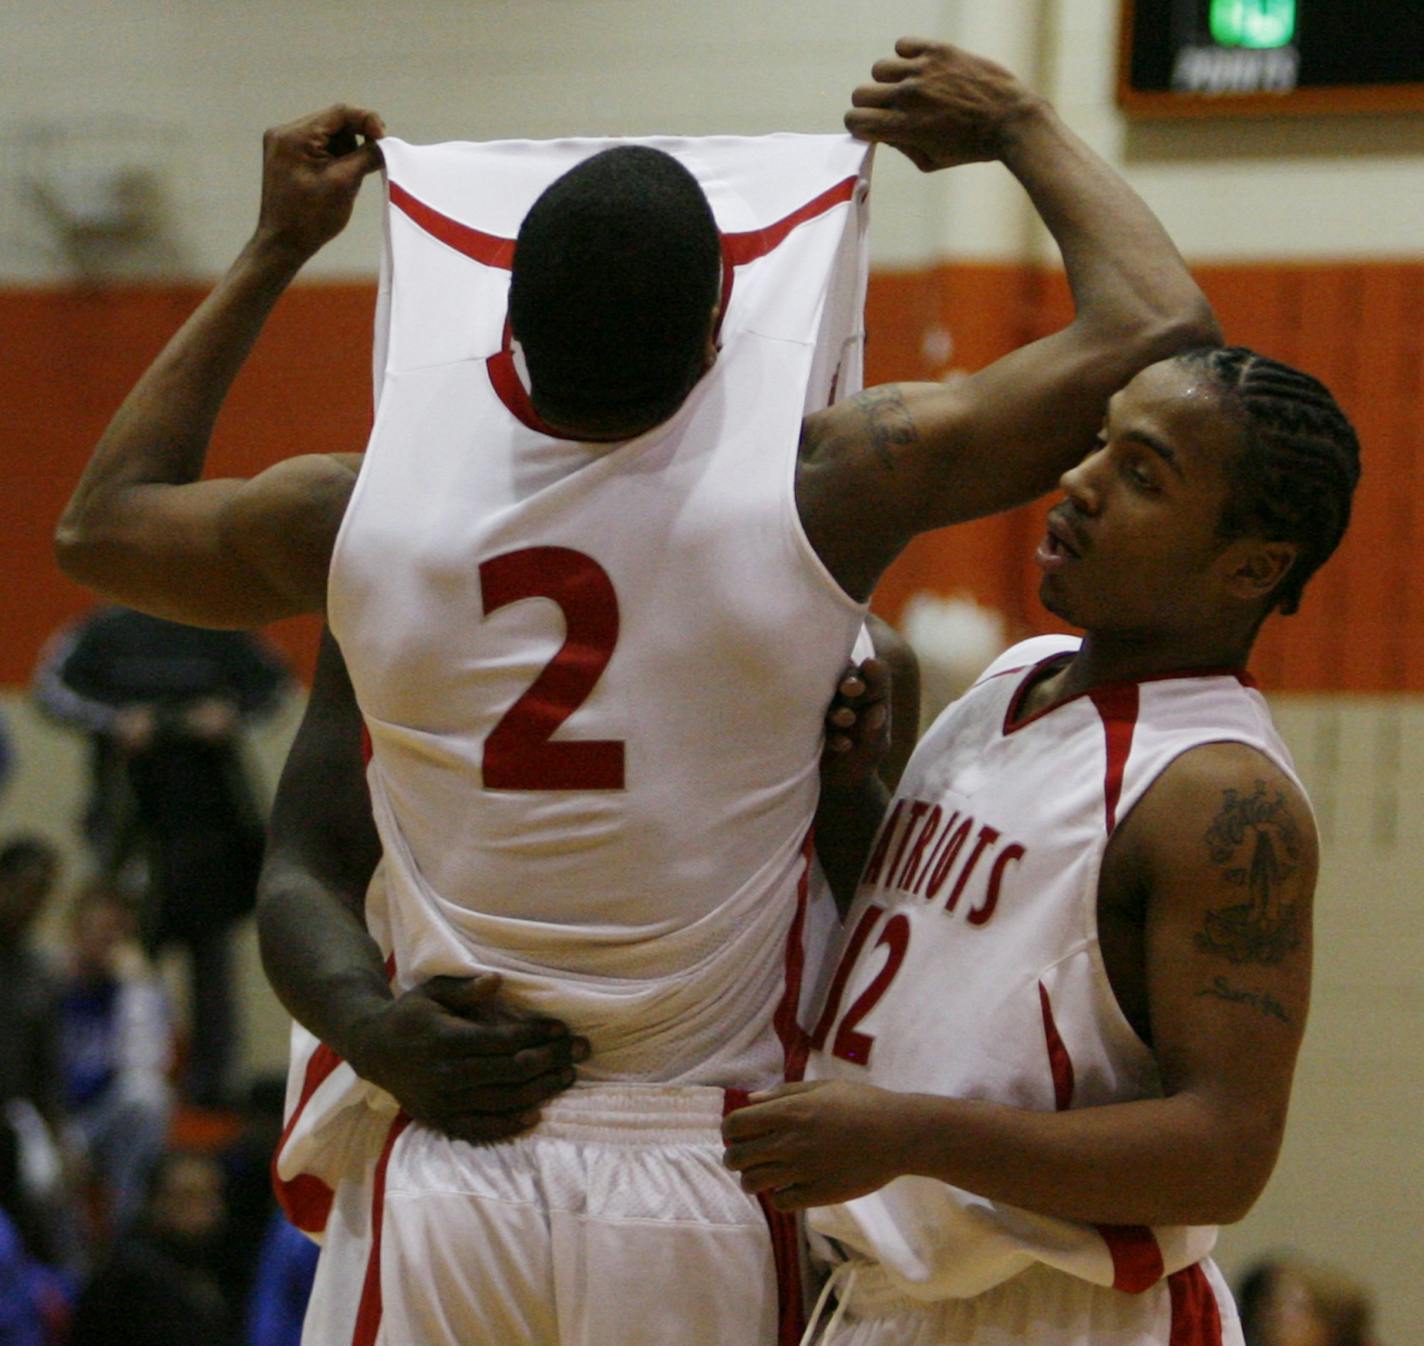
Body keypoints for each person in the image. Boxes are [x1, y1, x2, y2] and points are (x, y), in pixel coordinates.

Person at [55, 38, 1219, 1346]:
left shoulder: (357, 516)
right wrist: (1016, 122)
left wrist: (276, 245)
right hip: (715, 1162)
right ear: (725, 331)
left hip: (451, 1148)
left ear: (505, 320)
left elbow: (102, 527)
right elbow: (1160, 328)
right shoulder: (827, 483)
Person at [722, 345, 1361, 1344]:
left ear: (1248, 565)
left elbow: (1225, 1147)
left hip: (1064, 1313)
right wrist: (848, 795)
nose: (1080, 479)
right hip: (879, 1300)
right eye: (1101, 443)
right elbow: (922, 953)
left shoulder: (1215, 791)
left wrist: (911, 1132)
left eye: (1140, 474)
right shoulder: (1014, 676)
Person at [34, 606, 291, 1105]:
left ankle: (213, 1087)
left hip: (209, 827)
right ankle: (115, 1080)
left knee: (212, 959)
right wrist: (116, 723)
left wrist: (230, 715)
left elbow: (276, 685)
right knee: (123, 951)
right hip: (128, 824)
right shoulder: (104, 631)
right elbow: (51, 690)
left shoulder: (220, 627)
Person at [55, 881, 173, 1234]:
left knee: (148, 1098)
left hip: (105, 1115)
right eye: (99, 932)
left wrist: (136, 989)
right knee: (45, 1171)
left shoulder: (133, 990)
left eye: (117, 935)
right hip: (56, 1117)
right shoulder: (47, 983)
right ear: (76, 931)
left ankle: (127, 1236)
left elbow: (149, 1066)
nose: (107, 943)